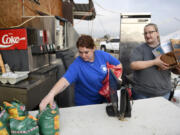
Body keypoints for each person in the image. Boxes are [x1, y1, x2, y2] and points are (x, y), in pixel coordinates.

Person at [40, 35, 122, 110]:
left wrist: (113, 80)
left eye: (86, 52)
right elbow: (65, 81)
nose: (83, 56)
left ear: (93, 48)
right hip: (85, 104)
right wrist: (51, 94)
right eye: (80, 52)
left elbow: (119, 65)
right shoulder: (77, 64)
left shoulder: (102, 55)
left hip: (103, 100)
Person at [130, 23, 180, 100]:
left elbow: (173, 69)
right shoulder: (139, 49)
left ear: (157, 33)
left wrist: (177, 70)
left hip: (163, 93)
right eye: (145, 33)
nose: (147, 35)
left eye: (150, 32)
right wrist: (154, 62)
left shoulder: (167, 48)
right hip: (142, 93)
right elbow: (134, 65)